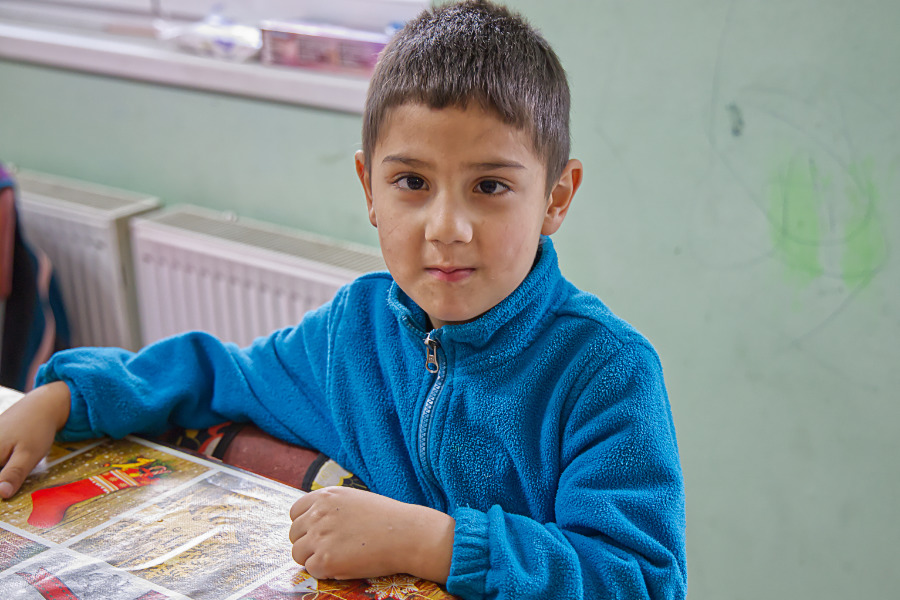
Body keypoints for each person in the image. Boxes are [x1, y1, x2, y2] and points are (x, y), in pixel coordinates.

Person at [0, 1, 687, 598]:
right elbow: (218, 376)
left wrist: (433, 543)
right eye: (412, 182)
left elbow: (641, 578)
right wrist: (65, 399)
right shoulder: (354, 331)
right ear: (369, 189)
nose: (446, 227)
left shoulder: (606, 371)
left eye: (490, 186)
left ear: (556, 198)